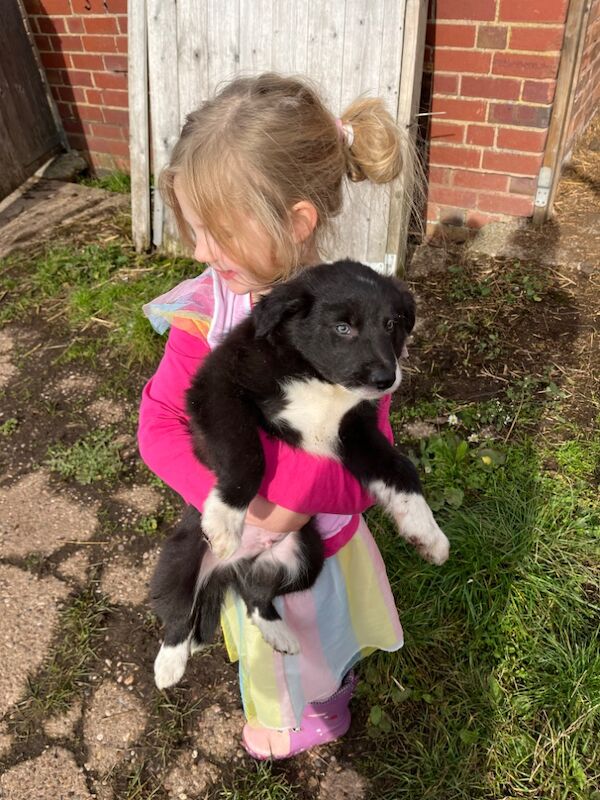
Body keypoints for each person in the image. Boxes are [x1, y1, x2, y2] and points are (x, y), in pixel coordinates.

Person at [138, 72, 417, 760]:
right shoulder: (203, 313)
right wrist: (227, 498)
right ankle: (291, 697)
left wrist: (284, 507)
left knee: (319, 634)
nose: (200, 252)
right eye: (193, 230)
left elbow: (361, 476)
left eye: (219, 233)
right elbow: (158, 422)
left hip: (315, 545)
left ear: (296, 223)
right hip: (241, 534)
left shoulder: (345, 328)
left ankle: (320, 705)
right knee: (261, 632)